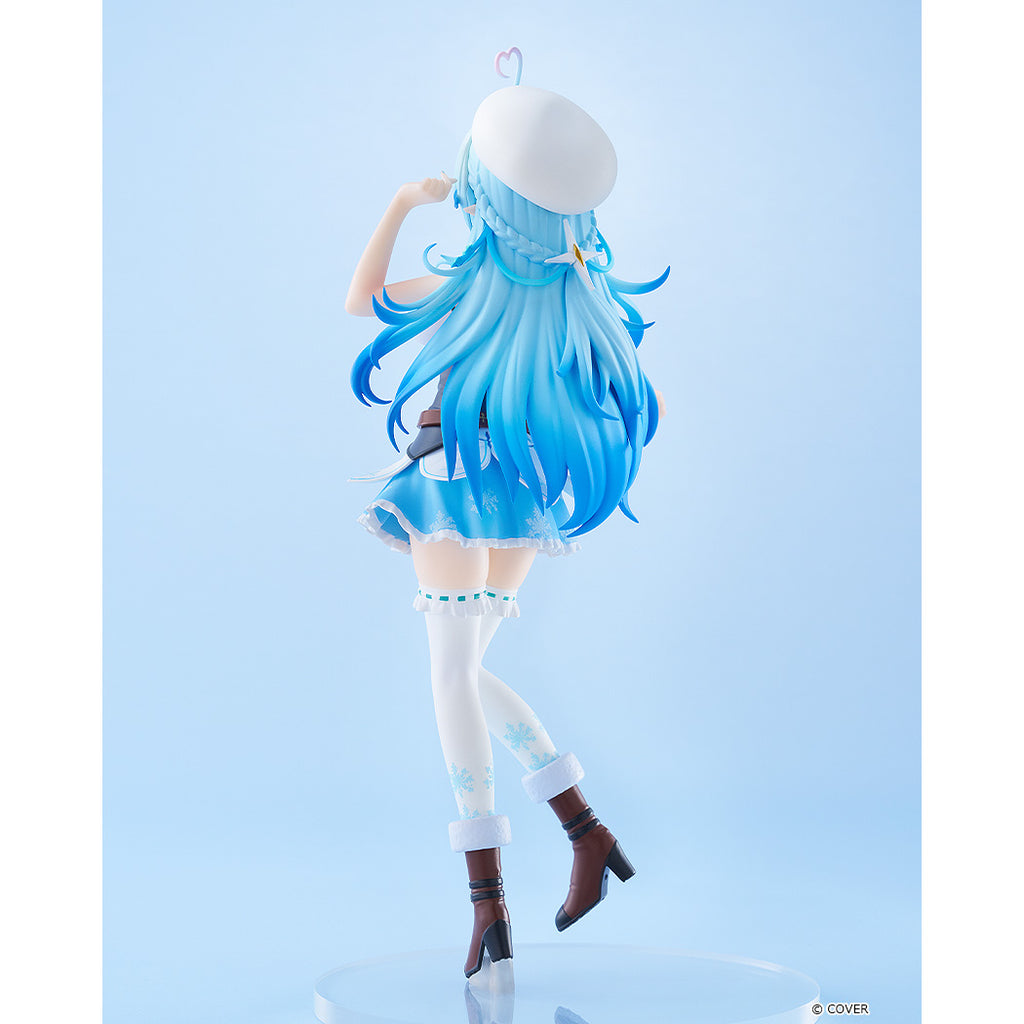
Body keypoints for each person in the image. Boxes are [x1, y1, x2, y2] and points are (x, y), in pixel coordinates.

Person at [345, 79, 667, 978]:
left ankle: (488, 901)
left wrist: (402, 202)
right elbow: (621, 400)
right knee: (472, 671)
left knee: (451, 675)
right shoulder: (581, 286)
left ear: (487, 192)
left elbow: (362, 299)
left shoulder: (469, 282)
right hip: (521, 498)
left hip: (452, 486)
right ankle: (587, 833)